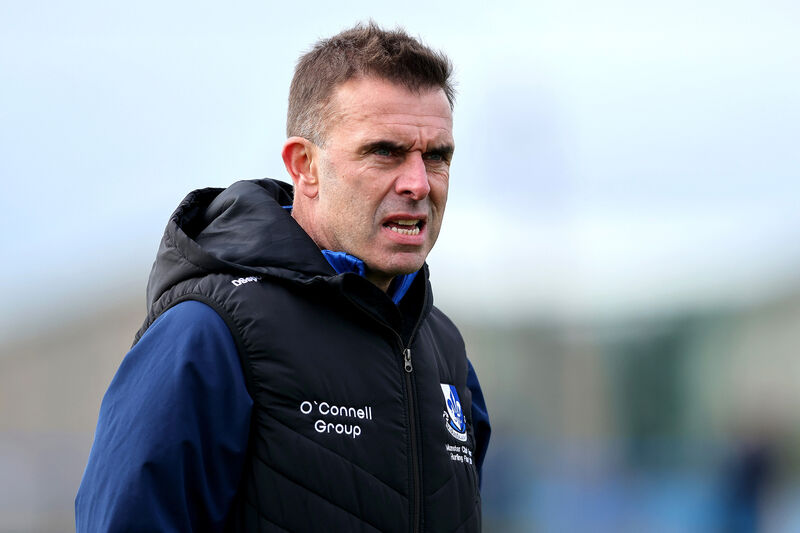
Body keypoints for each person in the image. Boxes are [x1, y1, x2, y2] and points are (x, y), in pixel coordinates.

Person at [76, 22, 490, 532]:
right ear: (305, 166)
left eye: (436, 156)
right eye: (384, 151)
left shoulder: (444, 351)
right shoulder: (207, 334)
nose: (417, 183)